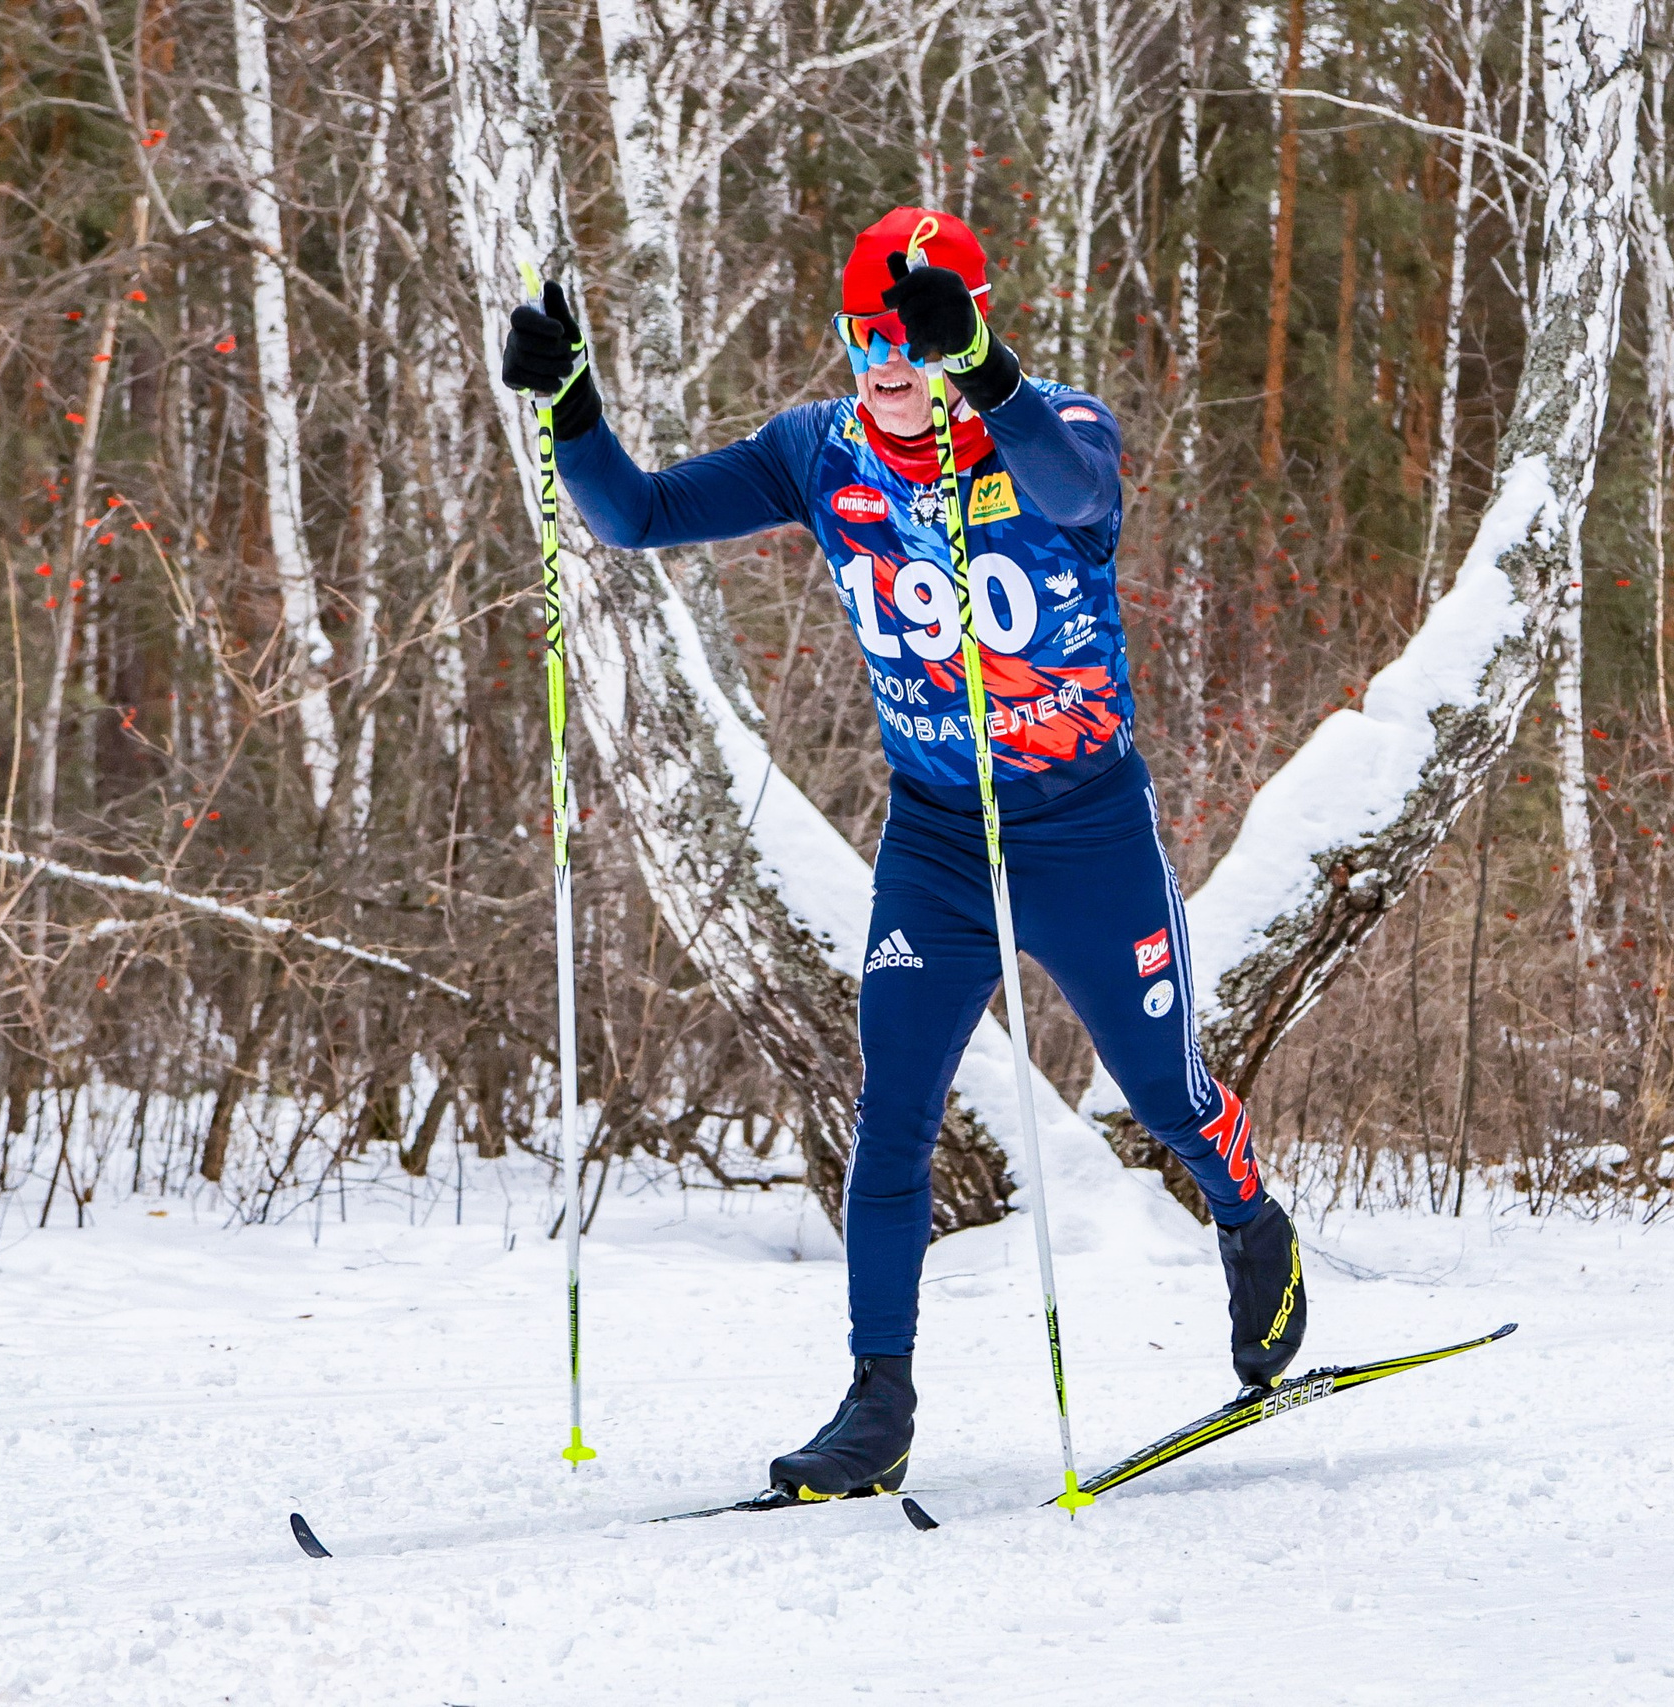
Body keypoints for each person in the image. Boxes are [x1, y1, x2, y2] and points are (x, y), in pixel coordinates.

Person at [504, 207, 1304, 1500]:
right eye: (863, 335)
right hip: (938, 837)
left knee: (1163, 1089)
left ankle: (1251, 1217)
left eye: (910, 336)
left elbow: (1076, 493)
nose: (884, 362)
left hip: (1085, 831)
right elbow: (634, 516)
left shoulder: (1056, 427)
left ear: (959, 331)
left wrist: (980, 367)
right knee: (893, 1114)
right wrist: (574, 405)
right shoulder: (818, 452)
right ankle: (878, 1402)